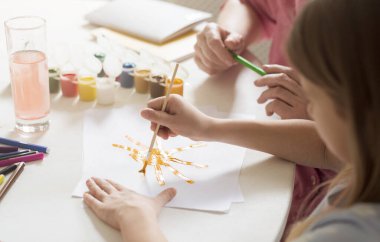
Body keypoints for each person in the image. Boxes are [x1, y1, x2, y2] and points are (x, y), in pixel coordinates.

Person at [83, 0, 380, 241]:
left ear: (353, 106)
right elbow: (325, 150)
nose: (310, 112)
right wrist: (207, 127)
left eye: (314, 96)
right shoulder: (365, 159)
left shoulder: (346, 232)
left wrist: (137, 222)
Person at [196, 0, 336, 233]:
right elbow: (254, 5)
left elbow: (332, 151)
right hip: (271, 159)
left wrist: (317, 115)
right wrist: (228, 39)